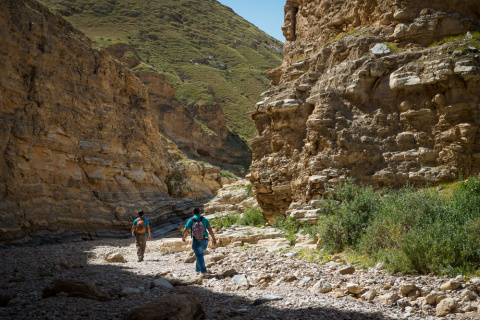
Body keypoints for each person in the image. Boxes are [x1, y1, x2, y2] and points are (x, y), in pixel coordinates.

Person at [182, 208, 217, 275]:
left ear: (193, 213)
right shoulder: (205, 219)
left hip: (196, 240)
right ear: (200, 212)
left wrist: (183, 237)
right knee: (200, 255)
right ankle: (197, 270)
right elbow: (210, 230)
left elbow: (185, 229)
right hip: (205, 239)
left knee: (199, 256)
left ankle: (203, 271)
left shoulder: (191, 220)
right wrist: (213, 238)